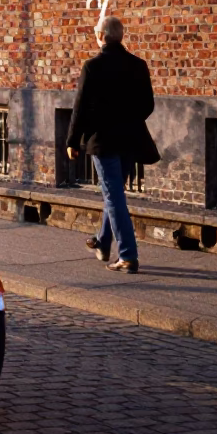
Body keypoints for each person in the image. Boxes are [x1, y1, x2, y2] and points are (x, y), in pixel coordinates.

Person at [67, 15, 156, 274]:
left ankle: (128, 256)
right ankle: (102, 242)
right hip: (130, 139)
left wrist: (72, 140)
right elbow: (147, 105)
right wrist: (128, 120)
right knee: (114, 192)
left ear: (101, 37)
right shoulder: (138, 65)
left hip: (103, 141)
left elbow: (79, 108)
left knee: (114, 196)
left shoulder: (93, 66)